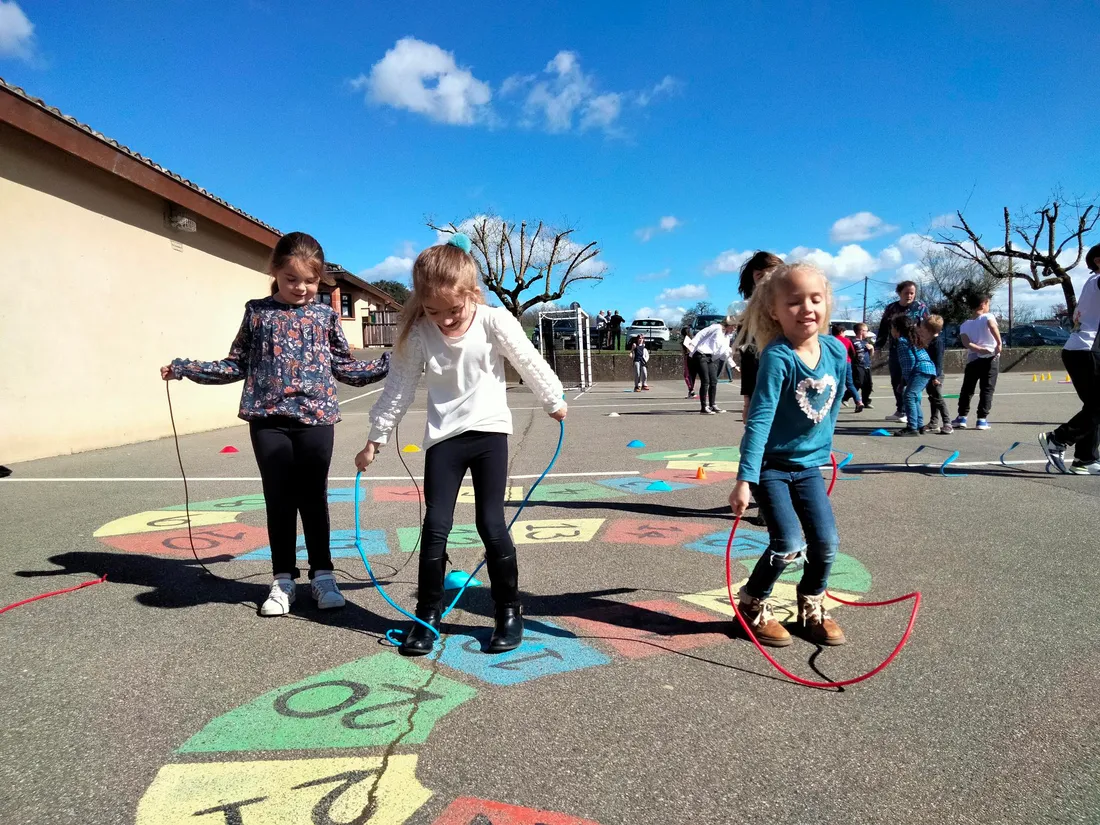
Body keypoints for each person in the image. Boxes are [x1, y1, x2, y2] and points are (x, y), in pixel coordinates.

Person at [356, 234, 566, 657]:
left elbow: (527, 359)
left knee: (491, 524)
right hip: (443, 439)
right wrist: (375, 438)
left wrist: (553, 399)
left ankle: (508, 611)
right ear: (420, 302)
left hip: (489, 433)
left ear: (470, 294)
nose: (445, 320)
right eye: (433, 311)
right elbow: (399, 388)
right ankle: (426, 616)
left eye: (453, 310)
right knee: (435, 529)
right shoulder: (418, 334)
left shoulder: (493, 320)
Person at [161, 232, 390, 617]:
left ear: (321, 280)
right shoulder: (257, 312)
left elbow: (346, 368)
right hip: (268, 421)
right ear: (275, 273)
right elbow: (236, 364)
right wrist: (187, 368)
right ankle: (283, 579)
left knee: (314, 498)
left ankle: (323, 576)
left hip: (316, 419)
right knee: (279, 500)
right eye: (292, 279)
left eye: (310, 281)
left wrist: (391, 363)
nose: (301, 288)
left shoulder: (326, 316)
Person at [728, 262, 847, 647]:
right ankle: (752, 603)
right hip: (771, 468)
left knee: (826, 542)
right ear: (774, 312)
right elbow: (759, 421)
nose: (807, 308)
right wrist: (745, 480)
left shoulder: (836, 351)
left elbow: (832, 407)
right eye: (794, 302)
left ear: (827, 303)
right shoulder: (778, 357)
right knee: (789, 544)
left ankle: (811, 604)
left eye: (815, 299)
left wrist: (822, 450)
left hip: (810, 467)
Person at [1039, 243, 1100, 474]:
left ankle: (1085, 459)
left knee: (1094, 406)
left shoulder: (1090, 285)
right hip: (1086, 350)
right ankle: (1058, 438)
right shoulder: (1097, 281)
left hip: (1079, 350)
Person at [737, 252, 784, 423]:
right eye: (760, 275)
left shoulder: (797, 306)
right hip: (763, 384)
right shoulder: (748, 315)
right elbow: (748, 358)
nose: (767, 279)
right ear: (753, 281)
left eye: (773, 273)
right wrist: (747, 402)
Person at [876, 281, 929, 424]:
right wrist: (878, 347)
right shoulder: (891, 308)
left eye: (912, 293)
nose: (909, 295)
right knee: (896, 380)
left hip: (915, 348)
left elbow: (927, 327)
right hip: (896, 348)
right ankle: (900, 409)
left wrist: (927, 344)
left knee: (910, 379)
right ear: (899, 293)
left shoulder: (921, 308)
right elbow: (883, 328)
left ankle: (909, 412)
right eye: (906, 293)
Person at [952, 293, 1002, 431]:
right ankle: (981, 420)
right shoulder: (988, 316)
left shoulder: (965, 325)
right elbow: (992, 326)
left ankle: (962, 417)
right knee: (987, 389)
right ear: (983, 304)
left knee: (967, 389)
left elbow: (966, 342)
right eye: (988, 304)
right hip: (991, 358)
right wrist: (999, 343)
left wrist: (979, 349)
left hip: (973, 359)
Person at [892, 314, 937, 437]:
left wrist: (905, 382)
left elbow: (908, 362)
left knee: (909, 396)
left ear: (897, 328)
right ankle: (919, 425)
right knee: (914, 396)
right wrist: (903, 382)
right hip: (927, 369)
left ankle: (912, 427)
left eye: (892, 327)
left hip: (919, 369)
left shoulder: (902, 341)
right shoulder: (913, 339)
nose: (891, 331)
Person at [687, 316, 737, 414]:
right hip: (700, 354)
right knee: (705, 381)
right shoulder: (716, 327)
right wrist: (691, 346)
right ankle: (703, 407)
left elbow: (726, 352)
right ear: (729, 325)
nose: (734, 329)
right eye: (734, 327)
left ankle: (712, 405)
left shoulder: (726, 336)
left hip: (709, 358)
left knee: (713, 380)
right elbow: (701, 334)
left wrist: (734, 365)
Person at [920, 314, 952, 434]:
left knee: (938, 398)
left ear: (929, 330)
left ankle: (947, 423)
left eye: (923, 328)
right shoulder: (929, 341)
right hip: (929, 373)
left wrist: (935, 377)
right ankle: (933, 422)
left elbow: (938, 361)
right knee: (932, 398)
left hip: (936, 375)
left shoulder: (937, 342)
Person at [830, 323, 864, 412]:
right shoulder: (847, 340)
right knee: (849, 384)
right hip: (846, 362)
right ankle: (858, 401)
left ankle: (831, 403)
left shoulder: (830, 340)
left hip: (834, 363)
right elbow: (853, 352)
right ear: (841, 331)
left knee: (833, 382)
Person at [851, 322, 875, 408]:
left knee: (868, 385)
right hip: (857, 366)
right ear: (861, 331)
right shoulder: (853, 342)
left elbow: (871, 355)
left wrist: (872, 348)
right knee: (858, 383)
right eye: (866, 331)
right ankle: (846, 397)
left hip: (866, 366)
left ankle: (866, 401)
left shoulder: (865, 342)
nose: (867, 333)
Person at [681, 326, 698, 398]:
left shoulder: (686, 340)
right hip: (693, 357)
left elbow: (689, 350)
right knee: (691, 375)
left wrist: (686, 355)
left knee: (687, 375)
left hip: (688, 358)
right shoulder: (691, 339)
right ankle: (691, 391)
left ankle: (691, 391)